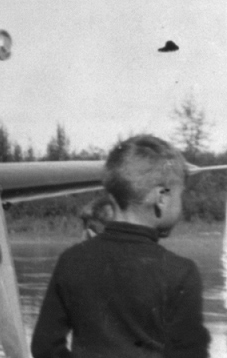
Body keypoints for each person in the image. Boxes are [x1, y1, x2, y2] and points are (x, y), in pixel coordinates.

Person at [31, 135, 210, 358]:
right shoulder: (181, 272)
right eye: (180, 194)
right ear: (161, 198)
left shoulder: (72, 260)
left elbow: (44, 347)